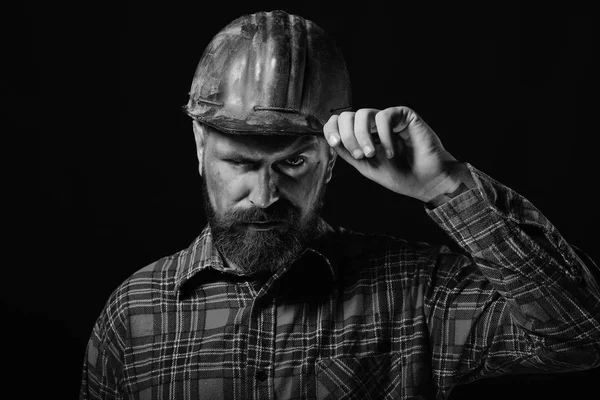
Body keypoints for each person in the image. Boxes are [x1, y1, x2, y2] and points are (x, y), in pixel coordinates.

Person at [80, 10, 600, 400]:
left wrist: (448, 185)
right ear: (199, 146)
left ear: (331, 159)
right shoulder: (134, 314)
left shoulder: (414, 293)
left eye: (293, 165)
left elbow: (580, 336)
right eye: (240, 164)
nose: (264, 196)